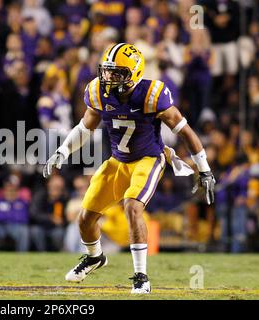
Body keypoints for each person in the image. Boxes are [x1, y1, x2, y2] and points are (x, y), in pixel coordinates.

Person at [44, 43, 216, 294]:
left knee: (132, 207)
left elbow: (184, 131)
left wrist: (205, 169)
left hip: (148, 159)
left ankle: (141, 276)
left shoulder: (151, 94)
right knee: (85, 218)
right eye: (106, 71)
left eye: (116, 73)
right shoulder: (97, 91)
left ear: (133, 74)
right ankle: (94, 257)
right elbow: (84, 127)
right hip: (118, 161)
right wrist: (62, 150)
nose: (108, 77)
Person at [0, 175, 30, 252]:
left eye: (12, 190)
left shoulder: (22, 203)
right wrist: (11, 215)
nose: (10, 192)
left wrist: (5, 215)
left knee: (24, 231)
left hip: (16, 226)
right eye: (8, 190)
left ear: (17, 191)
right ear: (4, 191)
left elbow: (23, 218)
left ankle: (22, 256)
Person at [29, 175, 67, 252]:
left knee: (59, 233)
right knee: (35, 231)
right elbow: (34, 213)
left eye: (59, 188)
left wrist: (62, 222)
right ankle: (42, 253)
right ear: (49, 185)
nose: (56, 189)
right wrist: (50, 218)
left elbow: (66, 218)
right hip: (40, 226)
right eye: (54, 186)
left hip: (56, 228)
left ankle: (58, 253)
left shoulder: (64, 199)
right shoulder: (40, 196)